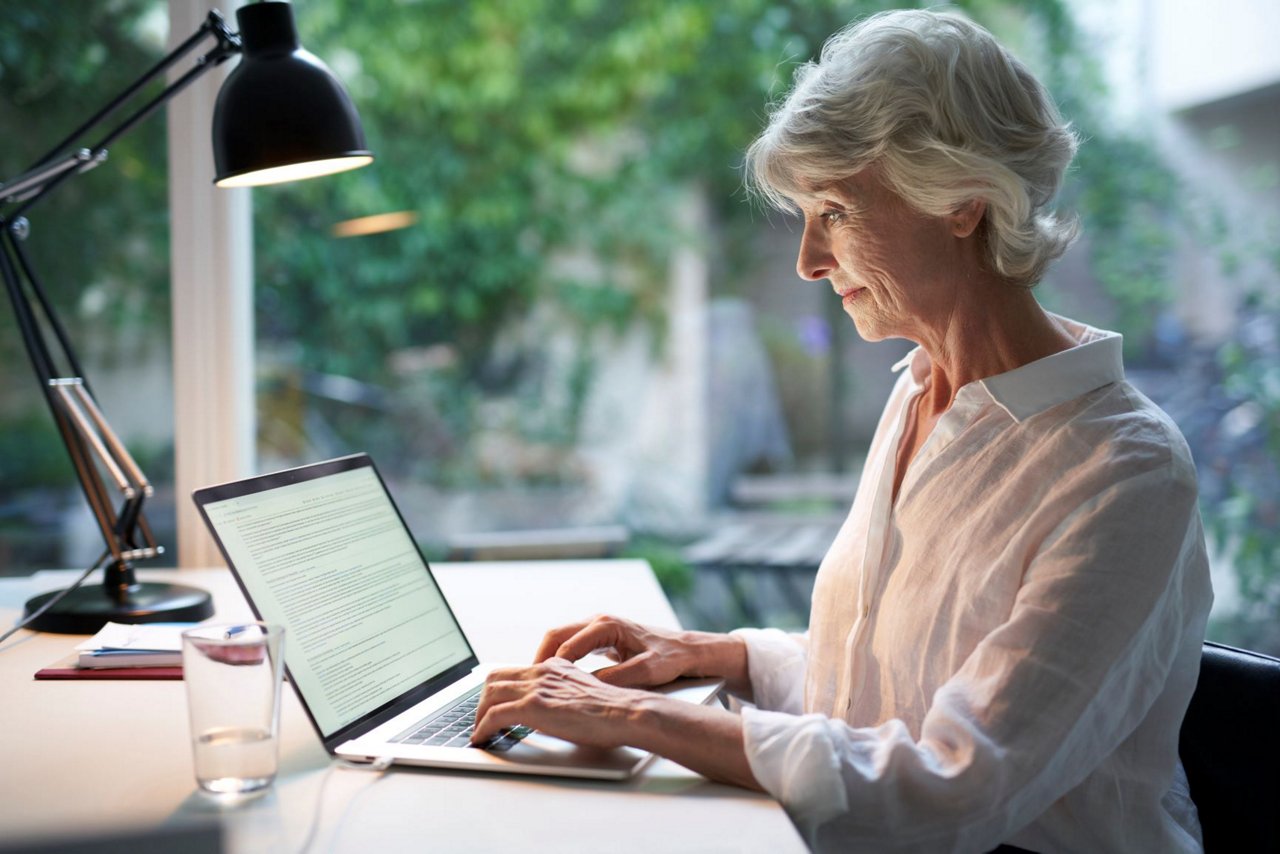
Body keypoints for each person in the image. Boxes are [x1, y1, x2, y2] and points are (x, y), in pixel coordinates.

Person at [472, 9, 1212, 852]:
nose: (807, 261)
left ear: (964, 199)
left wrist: (633, 714)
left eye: (835, 211)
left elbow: (953, 784)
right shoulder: (921, 392)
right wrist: (724, 655)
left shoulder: (1124, 472)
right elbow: (884, 682)